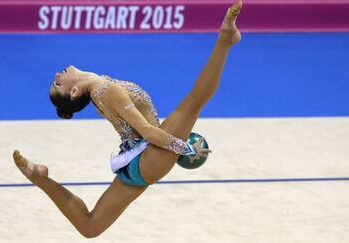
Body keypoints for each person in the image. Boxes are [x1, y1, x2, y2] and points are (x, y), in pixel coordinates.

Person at [13, 0, 242, 238]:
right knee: (196, 99)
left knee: (89, 227)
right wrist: (184, 149)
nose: (57, 74)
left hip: (137, 163)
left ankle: (40, 178)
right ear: (73, 92)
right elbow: (148, 131)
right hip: (149, 154)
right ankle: (225, 37)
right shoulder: (106, 91)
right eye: (58, 83)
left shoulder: (98, 90)